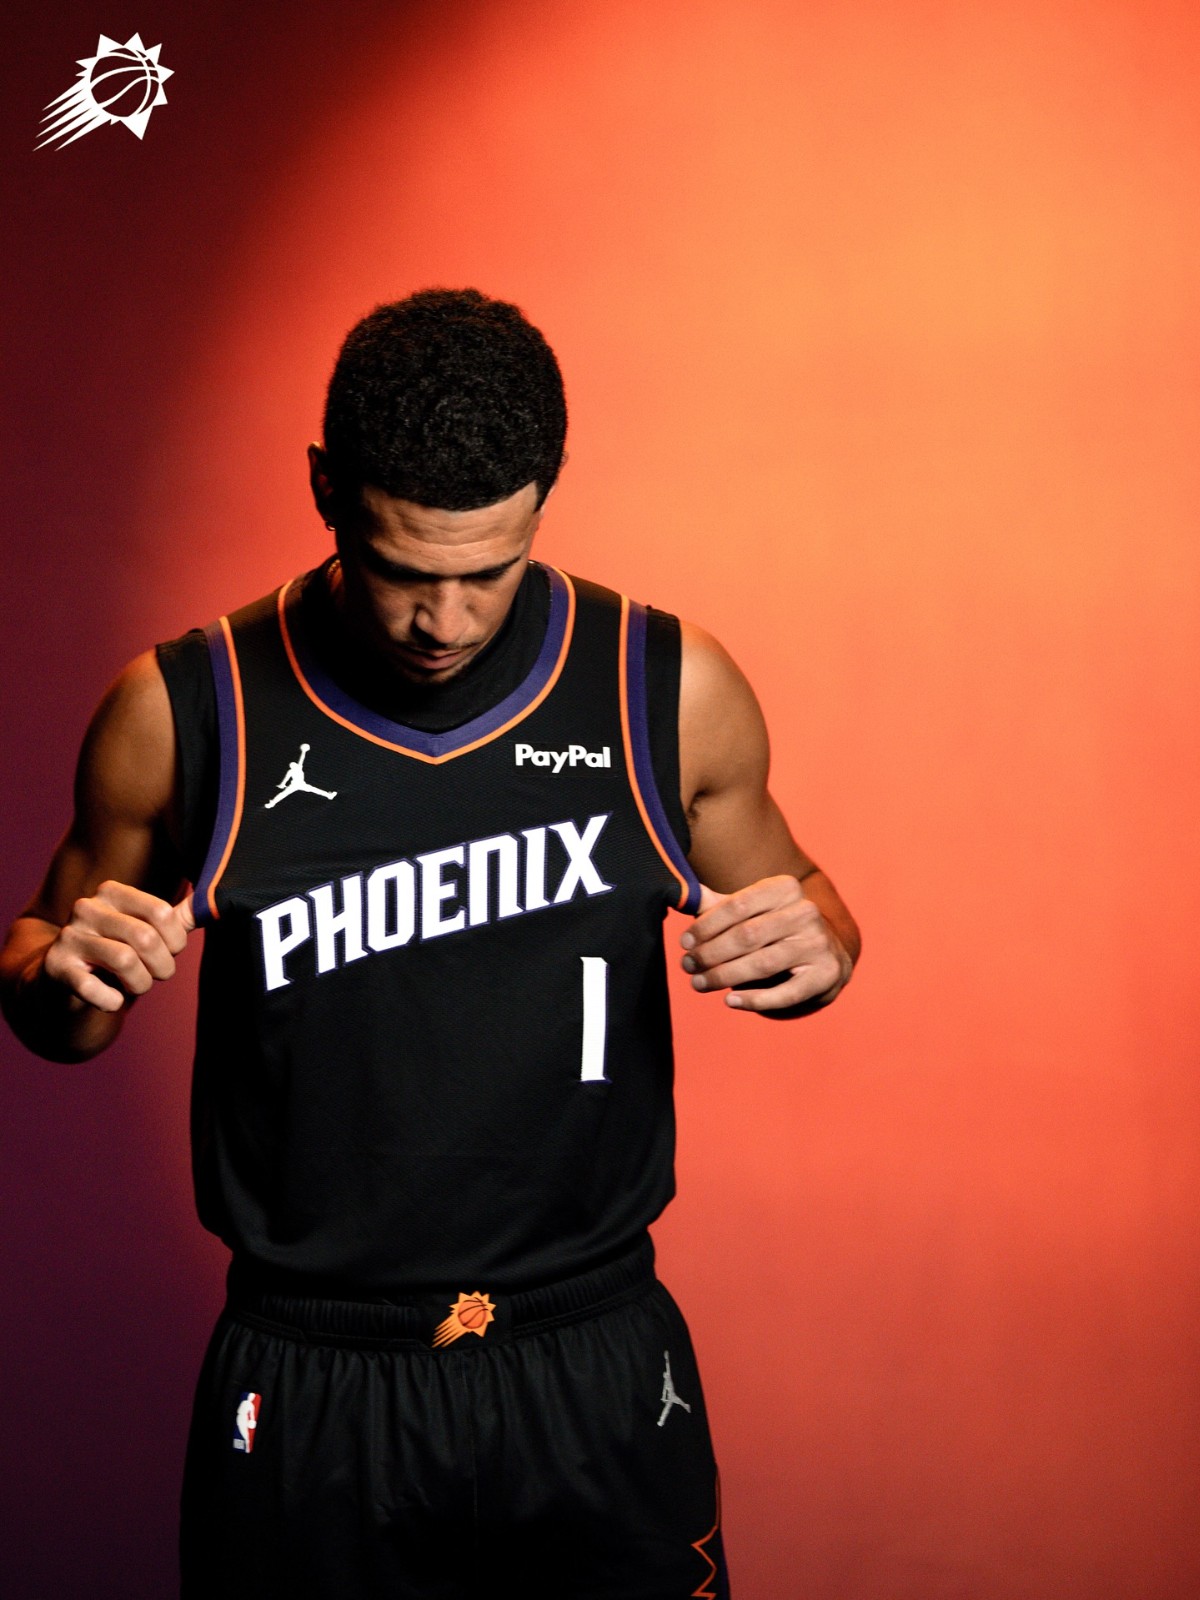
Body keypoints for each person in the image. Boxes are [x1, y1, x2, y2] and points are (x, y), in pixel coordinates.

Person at [0, 288, 860, 1599]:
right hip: (312, 1366)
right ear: (325, 491)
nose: (443, 624)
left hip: (592, 1346)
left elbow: (809, 906)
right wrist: (65, 974)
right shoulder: (188, 708)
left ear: (543, 501)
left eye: (487, 572)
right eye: (404, 572)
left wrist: (816, 948)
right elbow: (55, 998)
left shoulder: (664, 688)